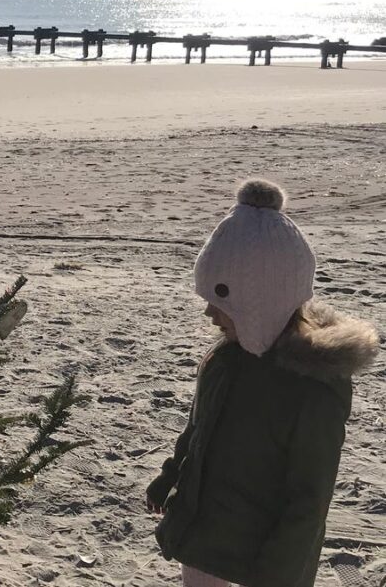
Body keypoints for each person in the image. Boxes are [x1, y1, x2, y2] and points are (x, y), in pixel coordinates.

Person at [146, 179, 379, 587]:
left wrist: (279, 575)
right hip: (205, 535)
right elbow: (197, 430)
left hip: (264, 557)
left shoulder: (313, 386)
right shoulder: (225, 360)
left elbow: (309, 500)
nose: (208, 314)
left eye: (221, 302)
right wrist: (170, 476)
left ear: (261, 303)